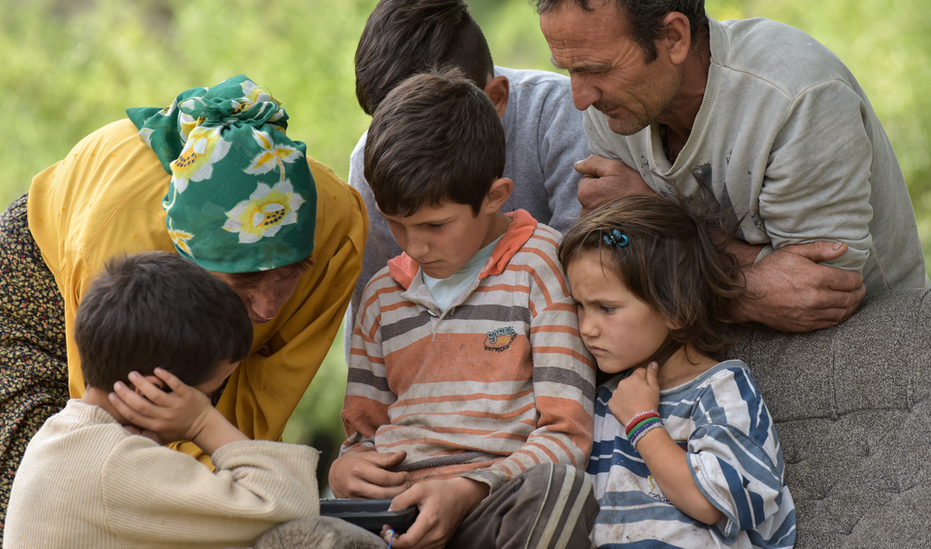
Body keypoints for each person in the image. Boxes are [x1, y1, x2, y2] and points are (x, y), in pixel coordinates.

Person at [0, 75, 366, 548]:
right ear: (184, 261)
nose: (269, 306)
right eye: (246, 281)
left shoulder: (335, 223)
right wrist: (186, 483)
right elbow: (117, 409)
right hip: (46, 275)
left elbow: (267, 398)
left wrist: (221, 496)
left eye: (291, 274)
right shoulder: (119, 241)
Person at [535, 0, 930, 333]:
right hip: (713, 359)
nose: (580, 98)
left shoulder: (795, 96)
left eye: (598, 68)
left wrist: (654, 213)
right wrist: (750, 289)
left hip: (872, 353)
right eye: (569, 70)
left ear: (674, 38)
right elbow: (615, 278)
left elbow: (815, 297)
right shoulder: (614, 111)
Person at [330, 70, 598, 549]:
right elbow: (362, 438)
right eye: (397, 224)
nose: (415, 245)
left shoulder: (543, 265)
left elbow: (566, 436)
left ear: (495, 196)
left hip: (493, 504)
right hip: (399, 514)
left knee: (560, 490)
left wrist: (467, 489)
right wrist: (346, 468)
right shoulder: (380, 296)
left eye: (436, 225)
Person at [2, 251, 320, 548]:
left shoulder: (60, 436)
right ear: (152, 391)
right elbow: (289, 511)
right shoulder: (116, 464)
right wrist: (201, 423)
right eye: (205, 396)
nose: (206, 407)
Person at [559, 194, 797, 548]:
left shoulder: (720, 391)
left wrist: (643, 423)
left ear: (676, 310)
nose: (587, 327)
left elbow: (711, 502)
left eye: (606, 308)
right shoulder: (604, 398)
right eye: (580, 306)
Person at [348, 0, 589, 345]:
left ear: (496, 99)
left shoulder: (560, 117)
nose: (415, 248)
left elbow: (590, 281)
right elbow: (376, 323)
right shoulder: (371, 161)